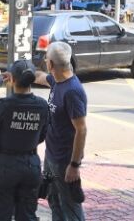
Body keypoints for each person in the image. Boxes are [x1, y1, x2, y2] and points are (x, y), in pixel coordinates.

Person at [15, 42, 87, 221]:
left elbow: (82, 130)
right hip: (52, 156)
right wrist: (19, 73)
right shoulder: (57, 81)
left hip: (65, 161)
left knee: (70, 208)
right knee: (54, 200)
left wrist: (75, 165)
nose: (45, 61)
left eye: (46, 58)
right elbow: (39, 77)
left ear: (51, 64)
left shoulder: (72, 91)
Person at [0, 60, 49, 221]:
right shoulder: (42, 106)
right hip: (31, 165)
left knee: (0, 214)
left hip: (4, 165)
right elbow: (43, 135)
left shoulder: (4, 105)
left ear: (11, 79)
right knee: (27, 215)